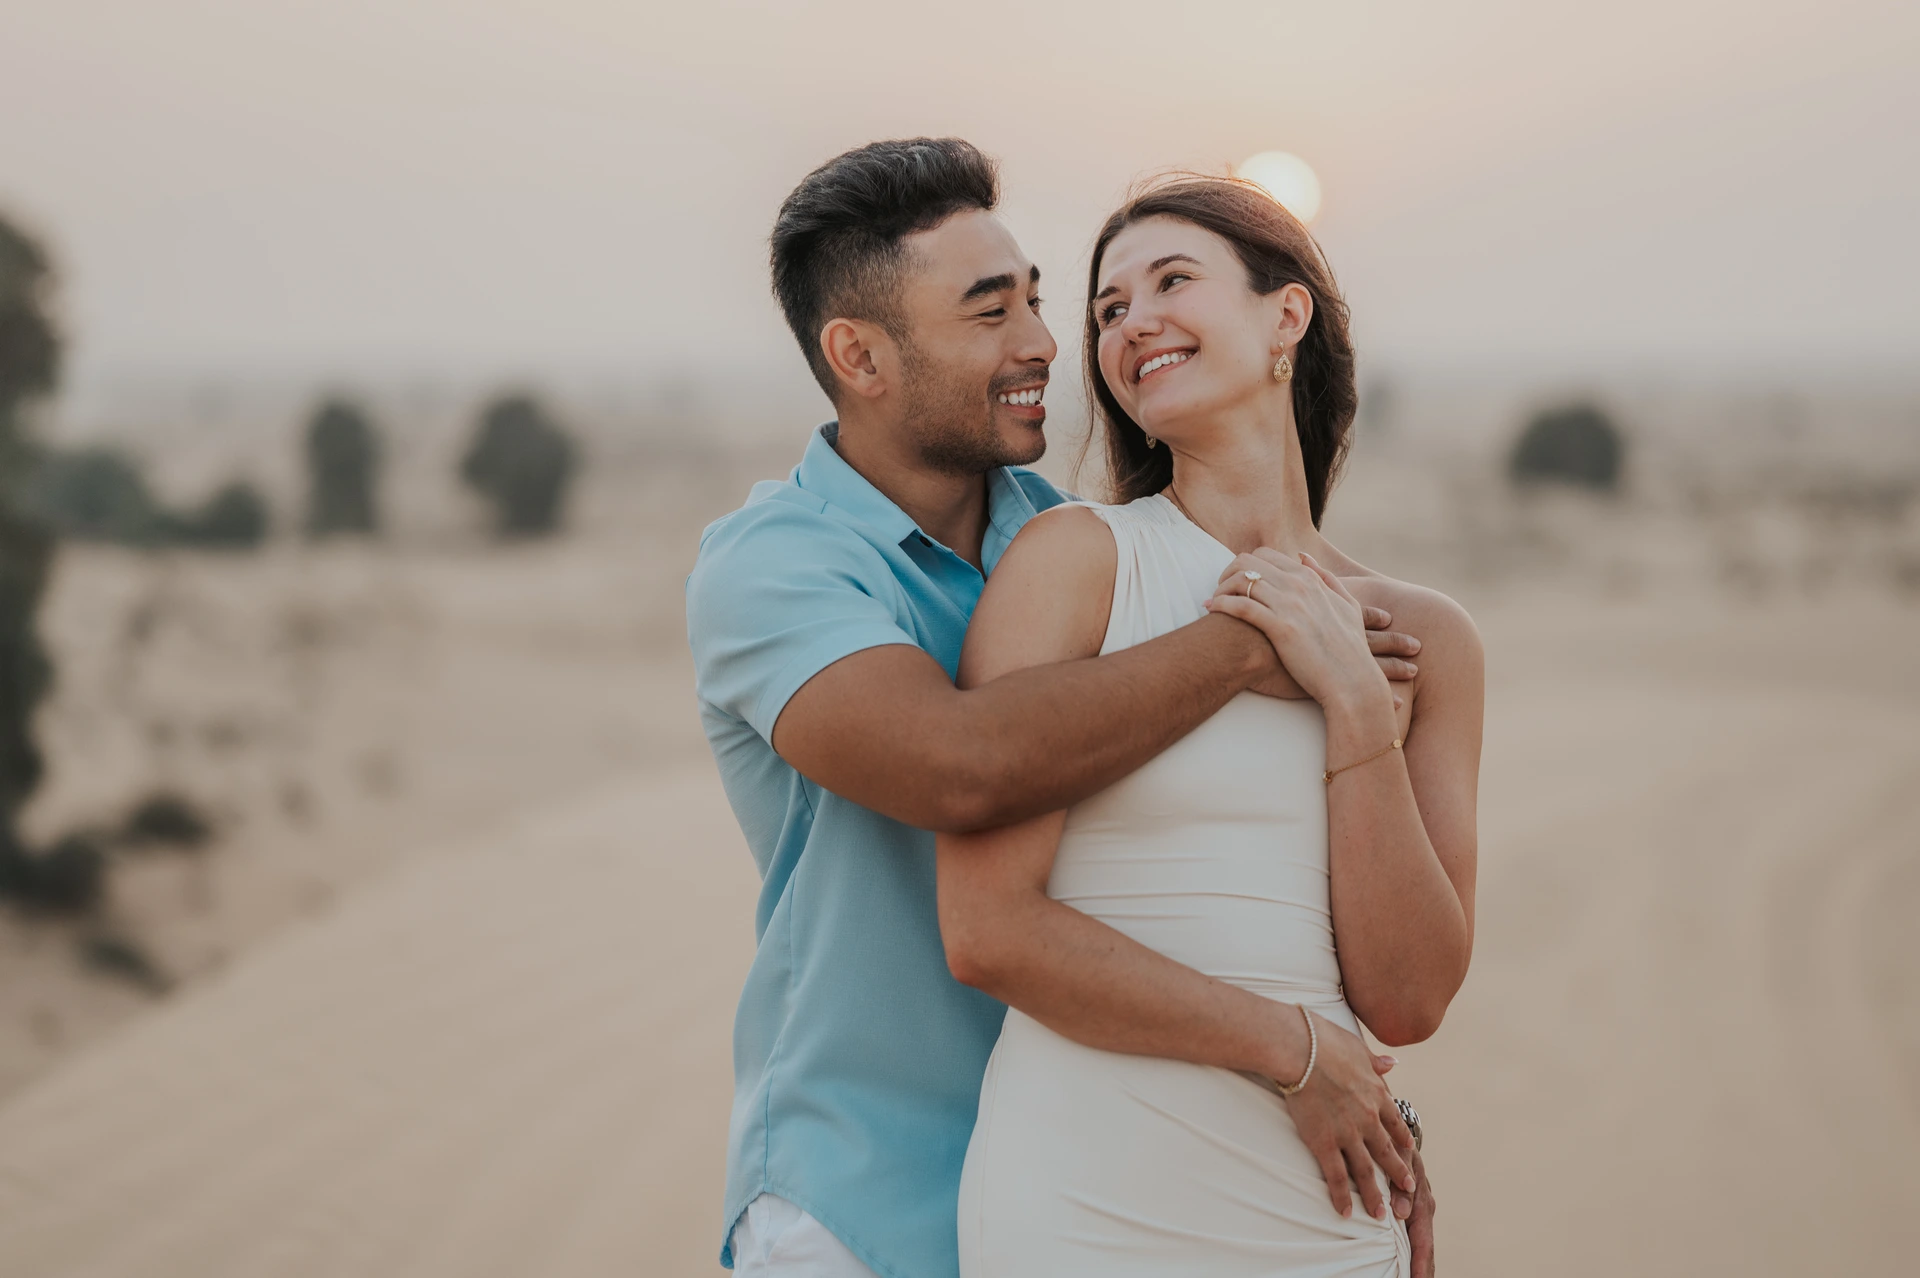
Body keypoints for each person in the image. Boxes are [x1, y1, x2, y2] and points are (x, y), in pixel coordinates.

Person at [686, 139, 1436, 1278]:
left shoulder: (1062, 536)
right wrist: (1253, 642)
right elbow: (962, 770)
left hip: (1100, 1169)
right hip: (859, 1202)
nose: (1044, 343)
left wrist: (1367, 1130)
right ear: (860, 355)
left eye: (1040, 302)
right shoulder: (774, 568)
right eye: (990, 314)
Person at [938, 177, 1481, 1275]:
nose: (1131, 321)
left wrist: (1355, 715)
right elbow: (989, 933)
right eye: (1106, 310)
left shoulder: (1424, 638)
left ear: (1288, 317)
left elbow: (1409, 997)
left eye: (1172, 281)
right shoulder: (1080, 564)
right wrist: (1293, 1055)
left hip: (1319, 1205)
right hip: (1086, 1195)